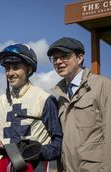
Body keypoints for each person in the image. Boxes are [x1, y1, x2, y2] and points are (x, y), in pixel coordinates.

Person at [0, 43, 63, 171]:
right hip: (6, 166)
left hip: (36, 167)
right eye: (7, 68)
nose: (10, 73)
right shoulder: (1, 101)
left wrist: (36, 152)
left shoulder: (44, 99)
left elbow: (59, 141)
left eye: (15, 67)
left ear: (29, 69)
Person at [47, 37, 111, 172]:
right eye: (55, 58)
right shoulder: (61, 96)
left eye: (64, 56)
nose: (58, 62)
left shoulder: (102, 85)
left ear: (80, 57)